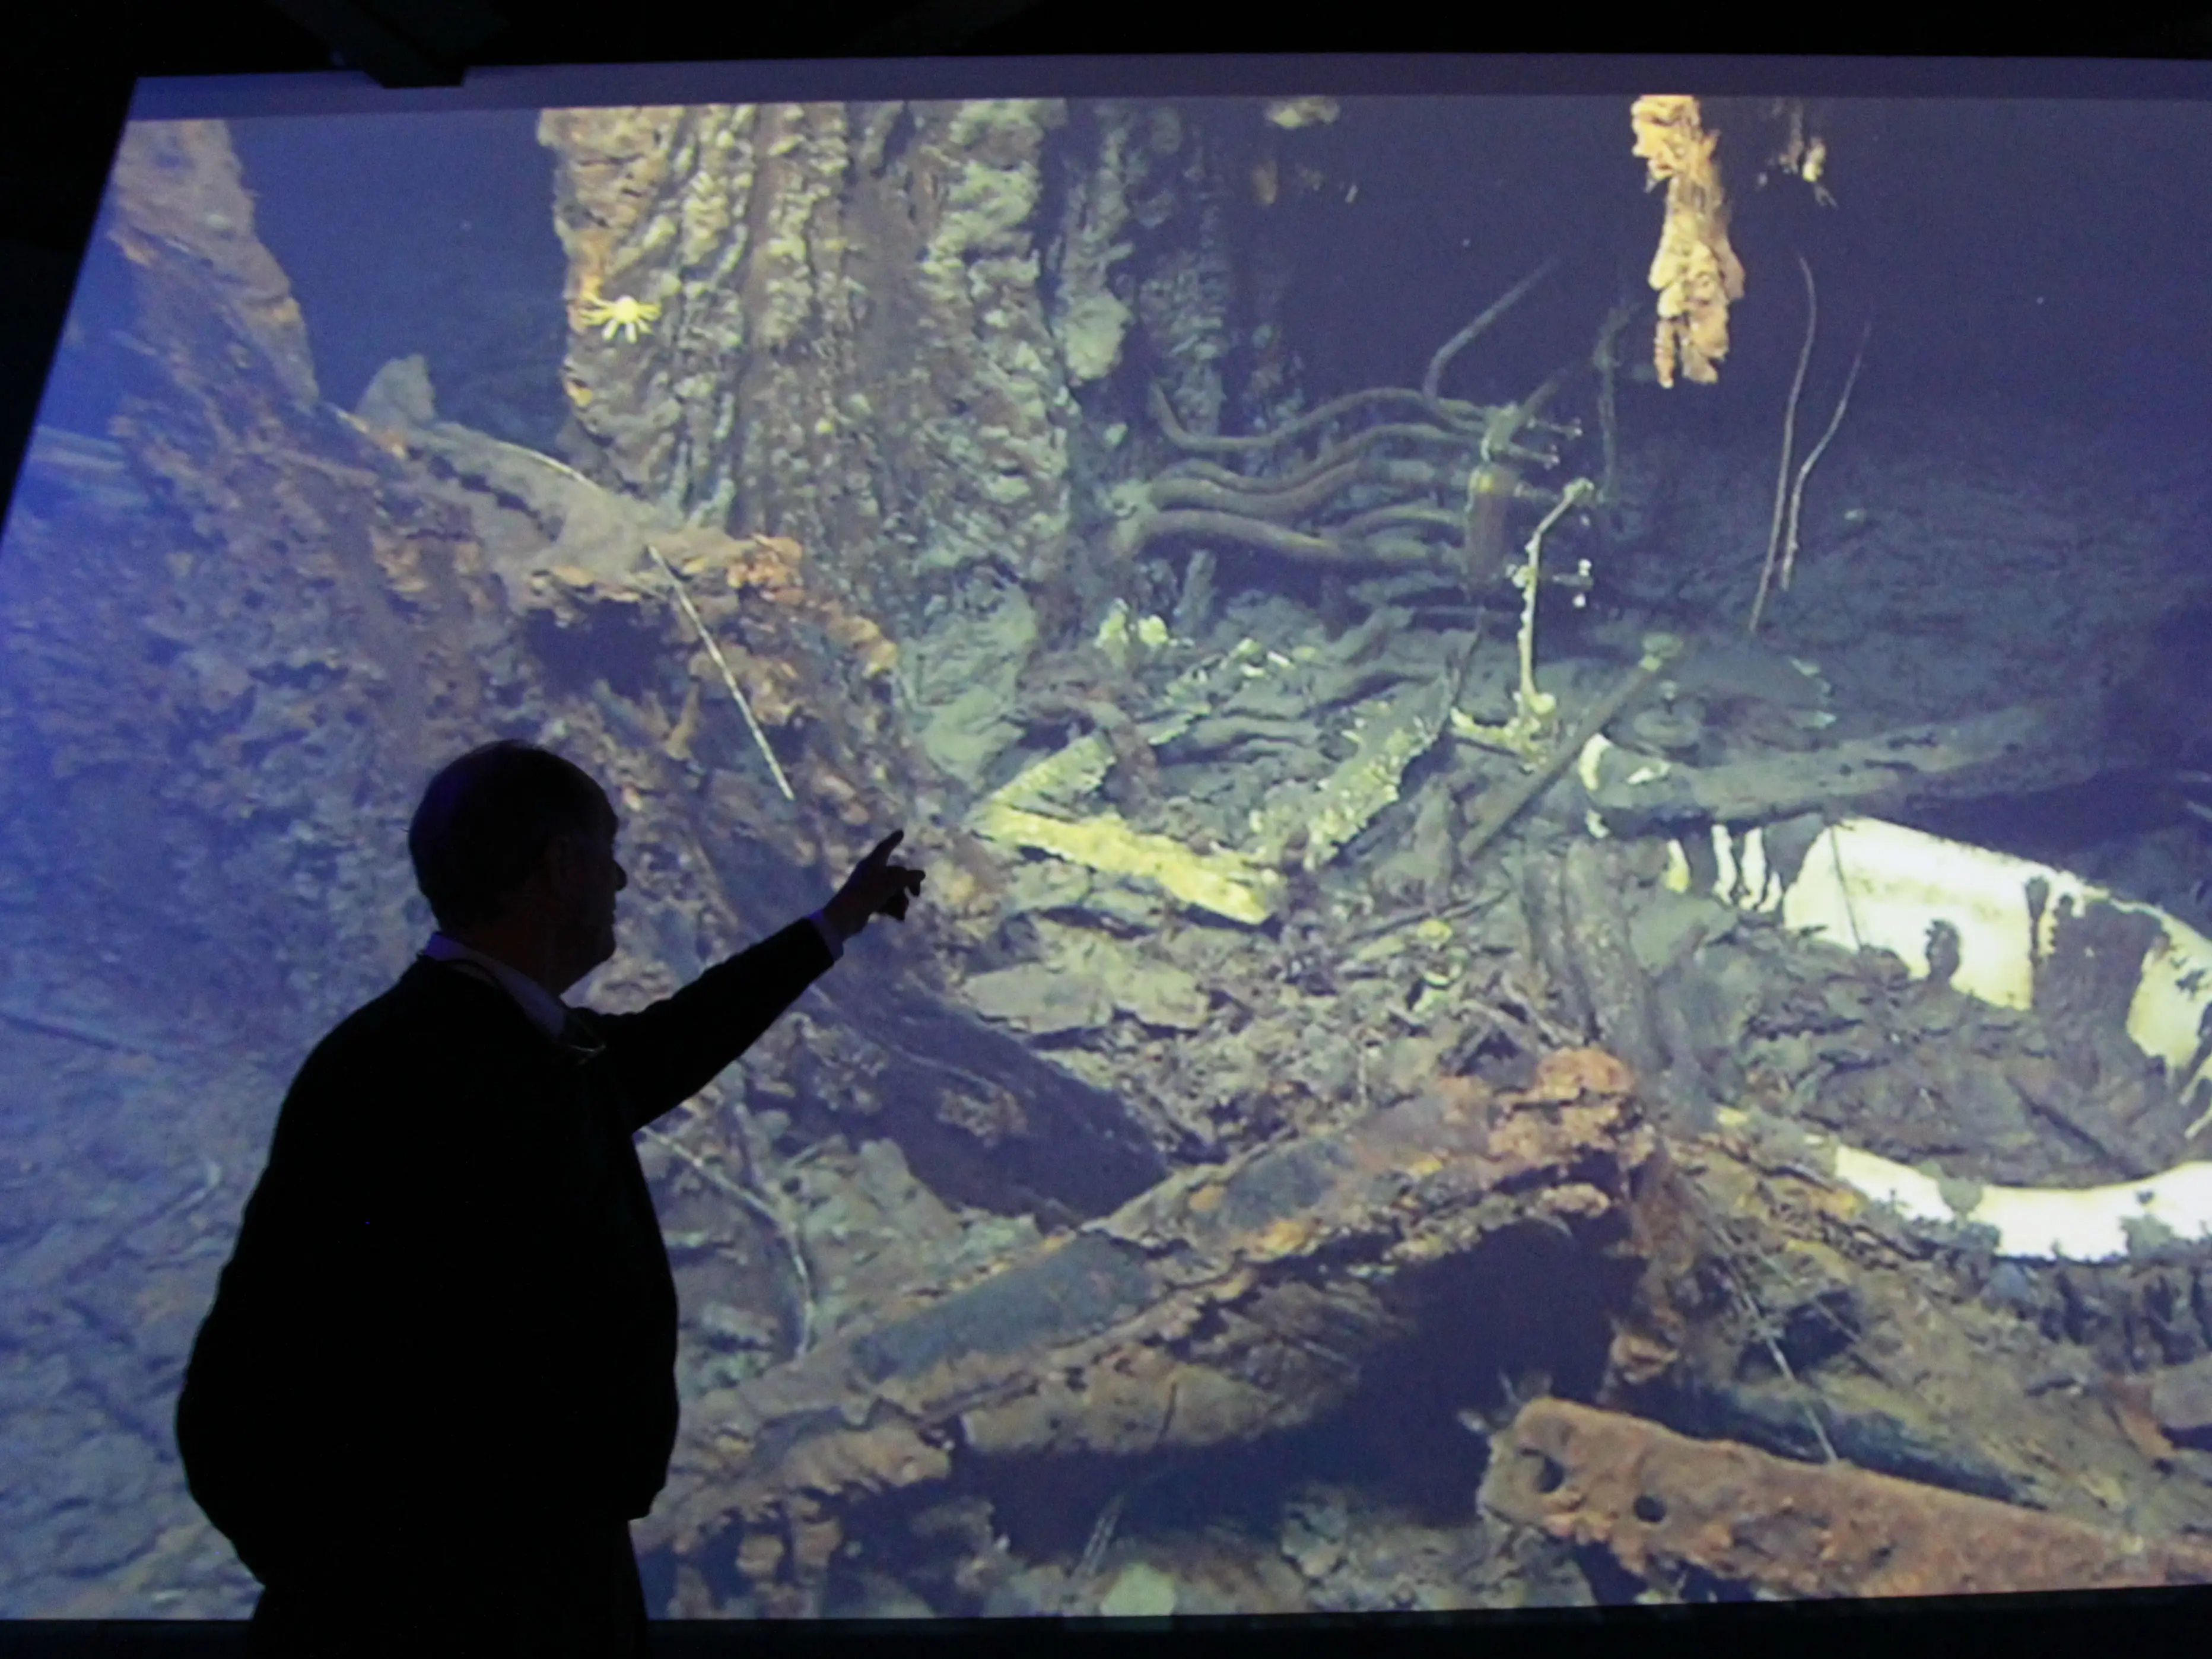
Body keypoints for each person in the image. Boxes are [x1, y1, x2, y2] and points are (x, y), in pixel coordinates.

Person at [174, 740, 924, 1656]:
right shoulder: (404, 1073)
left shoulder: (505, 1048)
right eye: (605, 854)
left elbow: (669, 1044)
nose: (620, 881)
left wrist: (832, 925)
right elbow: (242, 1390)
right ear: (560, 870)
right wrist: (365, 1589)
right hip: (462, 1612)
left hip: (539, 1577)